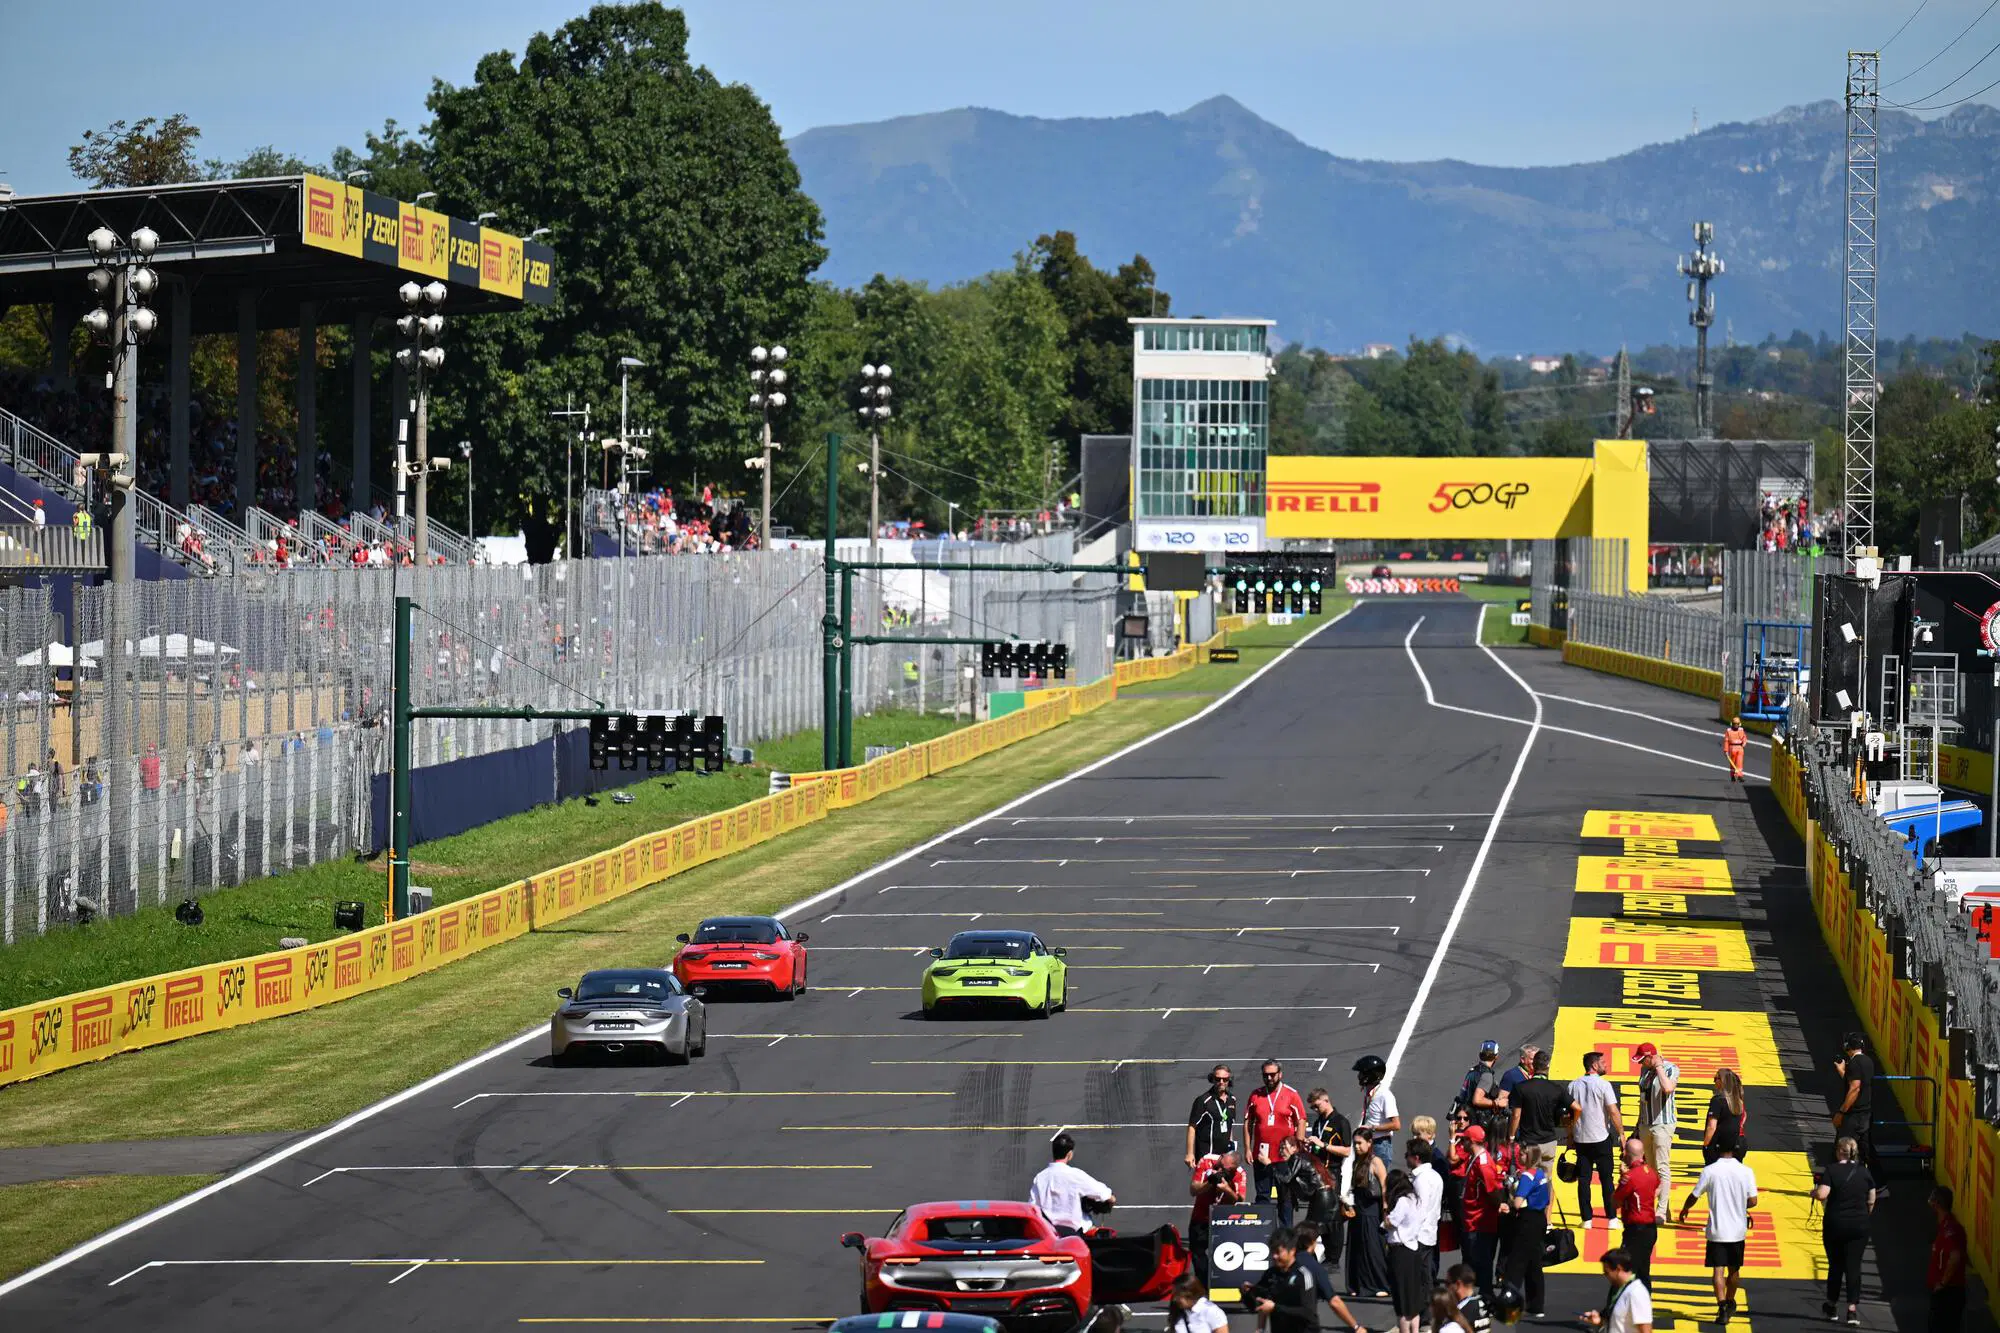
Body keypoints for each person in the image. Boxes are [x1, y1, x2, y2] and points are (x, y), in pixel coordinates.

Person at [1677, 1147, 1758, 1326]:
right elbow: (1753, 1201)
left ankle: (1721, 1305)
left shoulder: (1709, 1171)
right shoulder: (1746, 1171)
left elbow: (1694, 1195)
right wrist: (1739, 1204)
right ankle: (1729, 1301)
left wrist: (1685, 1208)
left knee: (1718, 1270)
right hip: (1737, 1230)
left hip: (1717, 1230)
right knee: (1734, 1270)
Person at [1813, 1136, 1875, 1324]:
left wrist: (1813, 1193)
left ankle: (1831, 1305)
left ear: (1839, 1151)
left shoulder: (1832, 1170)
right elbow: (1871, 1199)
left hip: (1836, 1225)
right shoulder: (1864, 1172)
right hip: (1859, 1225)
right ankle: (1852, 1309)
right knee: (1854, 1266)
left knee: (1836, 1265)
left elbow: (1823, 1194)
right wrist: (1864, 1215)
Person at [1569, 1050, 1624, 1226]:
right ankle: (1612, 1218)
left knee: (1583, 1180)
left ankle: (1586, 1219)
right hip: (1601, 1138)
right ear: (1594, 1065)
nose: (1606, 1064)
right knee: (1606, 1179)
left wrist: (1570, 1137)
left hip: (1581, 1139)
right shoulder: (1603, 1085)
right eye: (1603, 1062)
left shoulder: (1573, 1085)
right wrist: (1621, 1133)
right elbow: (1613, 1111)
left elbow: (1570, 1115)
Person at [1250, 1061, 1309, 1223]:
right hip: (1261, 1155)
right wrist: (1248, 1149)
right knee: (1262, 1195)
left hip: (1284, 1157)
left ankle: (1286, 1233)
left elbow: (1301, 1120)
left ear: (1280, 1074)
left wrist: (1298, 1147)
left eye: (1272, 1074)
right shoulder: (1256, 1095)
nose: (1269, 1078)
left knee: (1285, 1196)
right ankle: (1262, 1232)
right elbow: (1248, 1122)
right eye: (1265, 1075)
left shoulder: (1291, 1094)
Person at [1499, 1144, 1550, 1318]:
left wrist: (1511, 1198)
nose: (1519, 1157)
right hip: (1539, 1220)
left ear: (1528, 1157)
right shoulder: (1542, 1174)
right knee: (1534, 1264)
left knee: (1516, 1263)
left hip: (1527, 1221)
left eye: (1522, 1154)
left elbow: (1518, 1202)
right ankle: (1536, 1305)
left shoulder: (1527, 1177)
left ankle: (1508, 1303)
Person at [1029, 1132, 1114, 1236]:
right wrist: (1110, 1198)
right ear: (1069, 1154)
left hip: (1049, 1233)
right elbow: (1103, 1194)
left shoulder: (1040, 1177)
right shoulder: (1075, 1175)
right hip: (1074, 1234)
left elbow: (1032, 1207)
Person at [1290, 1220, 1368, 1333]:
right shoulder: (1314, 1268)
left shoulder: (1283, 1264)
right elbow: (1334, 1301)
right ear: (1311, 1242)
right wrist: (1356, 1326)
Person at [1455, 1123, 1504, 1295]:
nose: (1462, 1144)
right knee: (1475, 1261)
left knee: (1481, 1263)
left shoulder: (1482, 1164)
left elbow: (1491, 1190)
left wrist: (1500, 1204)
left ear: (1471, 1141)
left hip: (1480, 1221)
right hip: (1472, 1218)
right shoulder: (1476, 1159)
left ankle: (1486, 1297)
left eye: (1464, 1140)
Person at [1188, 1146, 1246, 1283]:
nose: (1220, 1170)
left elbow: (1240, 1200)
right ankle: (1204, 1284)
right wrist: (1210, 1183)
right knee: (1197, 1252)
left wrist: (1227, 1189)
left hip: (1223, 1218)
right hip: (1202, 1215)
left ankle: (1223, 1282)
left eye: (1224, 1170)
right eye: (1220, 1166)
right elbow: (1193, 1189)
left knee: (1223, 1252)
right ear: (1222, 1156)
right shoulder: (1206, 1161)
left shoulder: (1240, 1173)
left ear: (1233, 1169)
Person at [1344, 1130, 1391, 1299]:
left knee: (1373, 1249)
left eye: (1360, 1143)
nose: (1356, 1146)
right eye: (1355, 1143)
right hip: (1358, 1210)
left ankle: (1379, 1284)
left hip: (1372, 1210)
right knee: (1356, 1249)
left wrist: (1386, 1211)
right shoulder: (1357, 1162)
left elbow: (1385, 1186)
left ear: (1369, 1143)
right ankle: (1358, 1284)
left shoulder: (1376, 1161)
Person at [1247, 1227, 1321, 1333]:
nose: (1274, 1256)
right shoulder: (1270, 1274)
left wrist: (1275, 1308)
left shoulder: (1304, 1275)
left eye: (1278, 1252)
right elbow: (1258, 1305)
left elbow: (1308, 1313)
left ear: (1292, 1251)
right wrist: (1248, 1293)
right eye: (1272, 1251)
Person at [1832, 1033, 1881, 1187]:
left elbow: (1854, 1089)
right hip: (1866, 1113)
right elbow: (1855, 1083)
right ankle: (1879, 1184)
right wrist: (1842, 1071)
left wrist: (1841, 1112)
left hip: (1854, 1116)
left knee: (1842, 1148)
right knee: (1866, 1152)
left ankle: (1839, 1183)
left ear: (1847, 1047)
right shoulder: (1868, 1061)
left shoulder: (1854, 1064)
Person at [1612, 1136, 1661, 1288]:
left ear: (1627, 1154)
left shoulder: (1629, 1178)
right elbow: (1658, 1188)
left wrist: (1622, 1179)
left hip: (1635, 1229)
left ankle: (1615, 1306)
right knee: (1643, 1268)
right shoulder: (1650, 1172)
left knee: (1624, 1269)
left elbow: (1615, 1202)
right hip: (1650, 1228)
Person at [1381, 1168, 1426, 1333]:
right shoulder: (1415, 1199)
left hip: (1400, 1252)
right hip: (1413, 1249)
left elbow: (1390, 1222)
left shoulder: (1402, 1202)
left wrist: (1385, 1210)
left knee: (1402, 1301)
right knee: (1413, 1299)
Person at [1634, 1042, 1679, 1206]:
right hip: (1646, 1124)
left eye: (1642, 1060)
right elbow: (1643, 1100)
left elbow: (1667, 1088)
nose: (1640, 1064)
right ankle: (1655, 1206)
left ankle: (1661, 1209)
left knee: (1662, 1167)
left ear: (1650, 1057)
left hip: (1662, 1124)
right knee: (1650, 1169)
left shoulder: (1670, 1068)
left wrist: (1659, 1067)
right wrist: (1637, 1126)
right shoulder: (1644, 1070)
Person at [1509, 1050, 1567, 1161]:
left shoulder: (1521, 1088)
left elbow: (1516, 1115)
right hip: (1549, 1142)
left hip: (1529, 1142)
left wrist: (1511, 1137)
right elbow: (1577, 1107)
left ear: (1533, 1066)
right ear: (1548, 1066)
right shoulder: (1556, 1088)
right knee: (1546, 1178)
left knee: (1528, 1176)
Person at [1579, 1249, 1653, 1333]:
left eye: (1607, 1272)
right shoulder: (1623, 1290)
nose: (1606, 1276)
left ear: (1618, 1269)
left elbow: (1646, 1330)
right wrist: (1600, 1321)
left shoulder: (1636, 1293)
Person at [1927, 1185, 1967, 1333]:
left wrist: (1942, 1283)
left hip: (1948, 1293)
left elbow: (1955, 1257)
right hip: (1944, 1292)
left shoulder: (1951, 1229)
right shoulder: (1945, 1226)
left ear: (1936, 1203)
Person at [1406, 1136, 1443, 1285]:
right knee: (1425, 1273)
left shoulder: (1421, 1179)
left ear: (1416, 1158)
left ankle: (1423, 1303)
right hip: (1430, 1231)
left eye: (1407, 1155)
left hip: (1419, 1234)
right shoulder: (1435, 1176)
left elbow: (1420, 1208)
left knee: (1418, 1274)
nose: (1405, 1158)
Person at [1457, 1040, 1509, 1142]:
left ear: (1480, 1054)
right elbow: (1477, 1100)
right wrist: (1497, 1103)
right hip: (1477, 1122)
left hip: (1464, 1117)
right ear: (1496, 1057)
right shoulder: (1487, 1075)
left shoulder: (1472, 1071)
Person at [1188, 1064, 1240, 1167]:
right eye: (1218, 1079)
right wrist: (1190, 1154)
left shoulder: (1232, 1100)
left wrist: (1231, 1148)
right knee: (1204, 1183)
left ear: (1229, 1080)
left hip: (1225, 1157)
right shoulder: (1203, 1101)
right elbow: (1192, 1127)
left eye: (1225, 1079)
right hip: (1207, 1156)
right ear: (1212, 1079)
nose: (1221, 1082)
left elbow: (1229, 1125)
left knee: (1224, 1183)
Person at [1703, 1068, 1748, 1165]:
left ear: (1722, 1081)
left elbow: (1712, 1126)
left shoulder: (1718, 1100)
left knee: (1714, 1175)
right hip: (1738, 1142)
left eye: (1716, 1078)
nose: (1714, 1081)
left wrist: (1706, 1144)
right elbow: (1743, 1119)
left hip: (1720, 1145)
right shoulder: (1738, 1100)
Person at [1355, 1055, 1401, 1141]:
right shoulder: (1368, 1091)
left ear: (1370, 1076)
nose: (1359, 1076)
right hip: (1369, 1141)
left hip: (1380, 1143)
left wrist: (1371, 1128)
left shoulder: (1384, 1095)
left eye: (1362, 1073)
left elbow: (1396, 1125)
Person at [1165, 1272, 1231, 1333]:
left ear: (1191, 1294)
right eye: (1174, 1295)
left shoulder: (1211, 1311)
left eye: (1178, 1295)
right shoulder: (1178, 1310)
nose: (1175, 1299)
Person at [1445, 1262, 1492, 1333]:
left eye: (1448, 1283)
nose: (1446, 1288)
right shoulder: (1483, 1303)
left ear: (1458, 1284)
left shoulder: (1461, 1312)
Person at [1723, 717, 1748, 782]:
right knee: (1733, 763)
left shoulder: (1741, 730)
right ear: (1732, 724)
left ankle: (1740, 775)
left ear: (1739, 724)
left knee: (1739, 763)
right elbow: (1726, 741)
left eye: (1737, 724)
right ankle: (1732, 775)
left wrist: (1744, 743)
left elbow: (1744, 738)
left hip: (1740, 748)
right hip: (1732, 747)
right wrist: (1726, 750)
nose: (1736, 725)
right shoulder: (1728, 731)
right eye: (1735, 724)